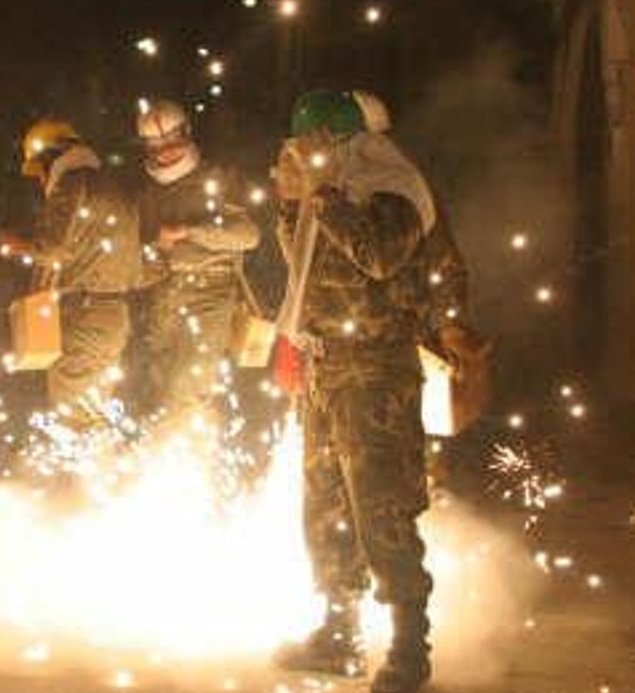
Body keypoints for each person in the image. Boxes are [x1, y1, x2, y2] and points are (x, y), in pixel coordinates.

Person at [270, 90, 482, 693]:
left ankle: (410, 646)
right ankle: (340, 632)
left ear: (341, 141)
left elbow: (380, 256)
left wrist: (323, 197)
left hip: (375, 369)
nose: (303, 154)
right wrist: (291, 206)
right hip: (325, 367)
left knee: (380, 507)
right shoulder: (333, 192)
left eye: (310, 144)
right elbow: (306, 270)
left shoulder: (393, 189)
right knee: (327, 507)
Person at [3, 118, 140, 429]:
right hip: (114, 317)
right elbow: (137, 266)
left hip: (82, 316)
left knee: (73, 420)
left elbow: (52, 249)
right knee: (94, 410)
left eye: (38, 172)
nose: (39, 182)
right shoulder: (117, 187)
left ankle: (82, 478)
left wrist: (16, 244)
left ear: (48, 159)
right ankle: (105, 473)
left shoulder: (71, 184)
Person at [134, 99, 260, 429]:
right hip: (164, 294)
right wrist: (155, 250)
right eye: (156, 147)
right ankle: (162, 455)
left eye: (171, 144)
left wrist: (192, 231)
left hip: (211, 293)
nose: (165, 154)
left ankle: (180, 456)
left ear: (187, 135)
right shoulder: (147, 194)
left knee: (189, 384)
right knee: (158, 382)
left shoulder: (219, 179)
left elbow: (247, 235)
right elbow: (142, 255)